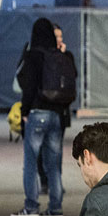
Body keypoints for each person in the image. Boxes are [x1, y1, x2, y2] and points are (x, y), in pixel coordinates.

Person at [11, 18, 75, 216]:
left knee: (31, 162)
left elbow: (28, 88)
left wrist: (25, 112)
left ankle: (31, 206)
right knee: (54, 163)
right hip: (57, 114)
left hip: (37, 113)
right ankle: (55, 208)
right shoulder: (60, 56)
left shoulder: (33, 56)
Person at [37, 24, 76, 194]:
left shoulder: (67, 56)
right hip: (42, 108)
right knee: (40, 148)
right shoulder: (40, 55)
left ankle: (56, 182)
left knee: (56, 149)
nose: (59, 39)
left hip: (61, 110)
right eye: (56, 36)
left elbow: (72, 77)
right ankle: (45, 180)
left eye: (60, 36)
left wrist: (62, 57)